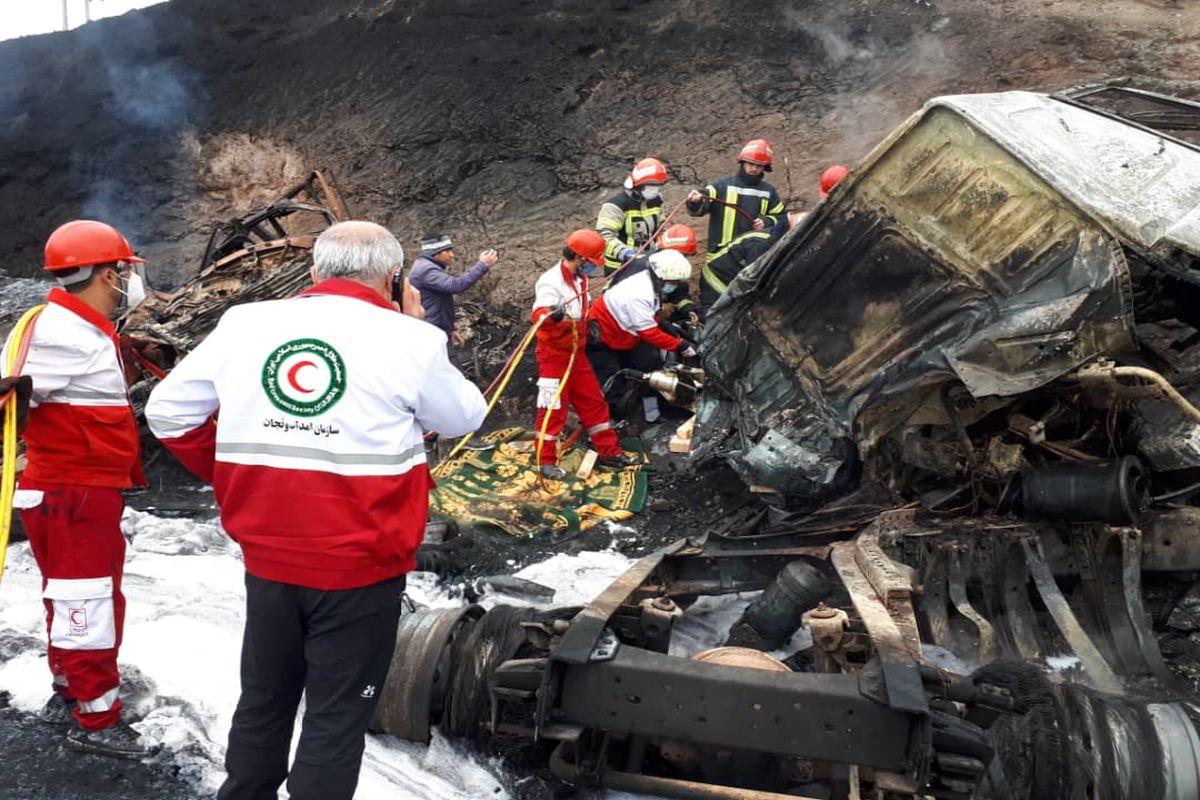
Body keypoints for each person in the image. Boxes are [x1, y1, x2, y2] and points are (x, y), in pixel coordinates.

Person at [144, 221, 487, 800]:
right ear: (392, 278)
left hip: (269, 560)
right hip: (361, 568)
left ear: (313, 273)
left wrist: (236, 475)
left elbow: (169, 412)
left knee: (264, 698)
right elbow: (464, 417)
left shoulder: (245, 324)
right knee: (334, 718)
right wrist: (416, 329)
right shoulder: (410, 340)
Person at [0, 220, 153, 758]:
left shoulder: (77, 327)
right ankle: (97, 718)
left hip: (78, 492)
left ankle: (69, 687)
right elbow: (15, 390)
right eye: (126, 271)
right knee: (86, 601)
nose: (131, 281)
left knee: (73, 598)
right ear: (109, 273)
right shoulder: (60, 332)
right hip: (72, 493)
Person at [531, 229, 640, 481]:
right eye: (591, 262)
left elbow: (583, 306)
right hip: (553, 355)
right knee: (552, 408)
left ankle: (609, 451)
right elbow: (538, 314)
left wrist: (589, 322)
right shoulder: (551, 282)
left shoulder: (580, 280)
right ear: (579, 258)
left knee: (593, 401)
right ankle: (545, 461)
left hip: (576, 353)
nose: (593, 267)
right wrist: (551, 314)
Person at [587, 249, 696, 424]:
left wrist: (666, 325)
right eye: (673, 282)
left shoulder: (651, 282)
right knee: (611, 381)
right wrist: (680, 344)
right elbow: (649, 333)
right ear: (661, 277)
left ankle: (651, 412)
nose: (674, 285)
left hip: (627, 332)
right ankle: (613, 421)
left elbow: (653, 313)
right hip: (604, 336)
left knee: (651, 367)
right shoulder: (638, 293)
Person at [685, 139, 785, 261]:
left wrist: (766, 222)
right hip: (719, 256)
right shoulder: (721, 186)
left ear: (765, 167)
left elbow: (781, 218)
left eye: (759, 166)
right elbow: (698, 208)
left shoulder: (769, 192)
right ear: (743, 162)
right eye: (750, 163)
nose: (754, 168)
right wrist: (695, 201)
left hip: (751, 257)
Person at [408, 233, 498, 353]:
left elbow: (440, 302)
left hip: (437, 331)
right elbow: (455, 286)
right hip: (433, 333)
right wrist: (482, 265)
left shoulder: (426, 266)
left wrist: (451, 329)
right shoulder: (426, 270)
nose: (452, 255)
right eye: (447, 251)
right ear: (434, 252)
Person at [700, 211, 806, 309]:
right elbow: (755, 281)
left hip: (727, 276)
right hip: (717, 281)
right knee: (715, 319)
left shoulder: (773, 238)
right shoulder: (762, 245)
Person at [596, 157, 668, 275]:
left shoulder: (656, 201)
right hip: (620, 266)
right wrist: (625, 253)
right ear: (638, 185)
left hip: (649, 262)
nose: (654, 190)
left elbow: (661, 229)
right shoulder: (615, 206)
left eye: (657, 186)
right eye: (650, 186)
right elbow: (604, 236)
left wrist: (665, 243)